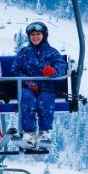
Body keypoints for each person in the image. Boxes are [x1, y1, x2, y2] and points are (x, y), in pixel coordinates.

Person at [11, 21, 67, 149]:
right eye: (32, 35)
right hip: (28, 87)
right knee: (27, 99)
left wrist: (54, 71)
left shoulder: (51, 52)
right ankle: (29, 134)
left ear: (44, 35)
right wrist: (28, 81)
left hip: (46, 86)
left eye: (38, 34)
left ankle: (44, 133)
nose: (35, 37)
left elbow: (62, 66)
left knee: (45, 100)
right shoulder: (24, 52)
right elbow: (15, 70)